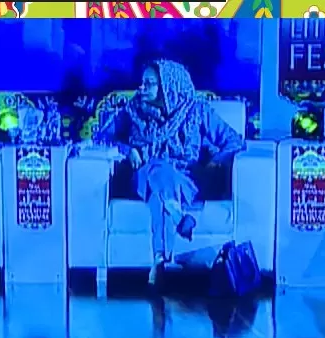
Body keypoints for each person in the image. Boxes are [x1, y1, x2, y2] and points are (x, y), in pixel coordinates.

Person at [97, 59, 245, 277]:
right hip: (143, 177)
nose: (142, 88)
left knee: (159, 198)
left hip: (184, 179)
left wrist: (215, 162)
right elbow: (101, 137)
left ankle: (160, 259)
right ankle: (178, 215)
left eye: (149, 83)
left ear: (168, 85)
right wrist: (128, 150)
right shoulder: (133, 110)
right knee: (156, 167)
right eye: (142, 83)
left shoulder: (196, 110)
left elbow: (234, 141)